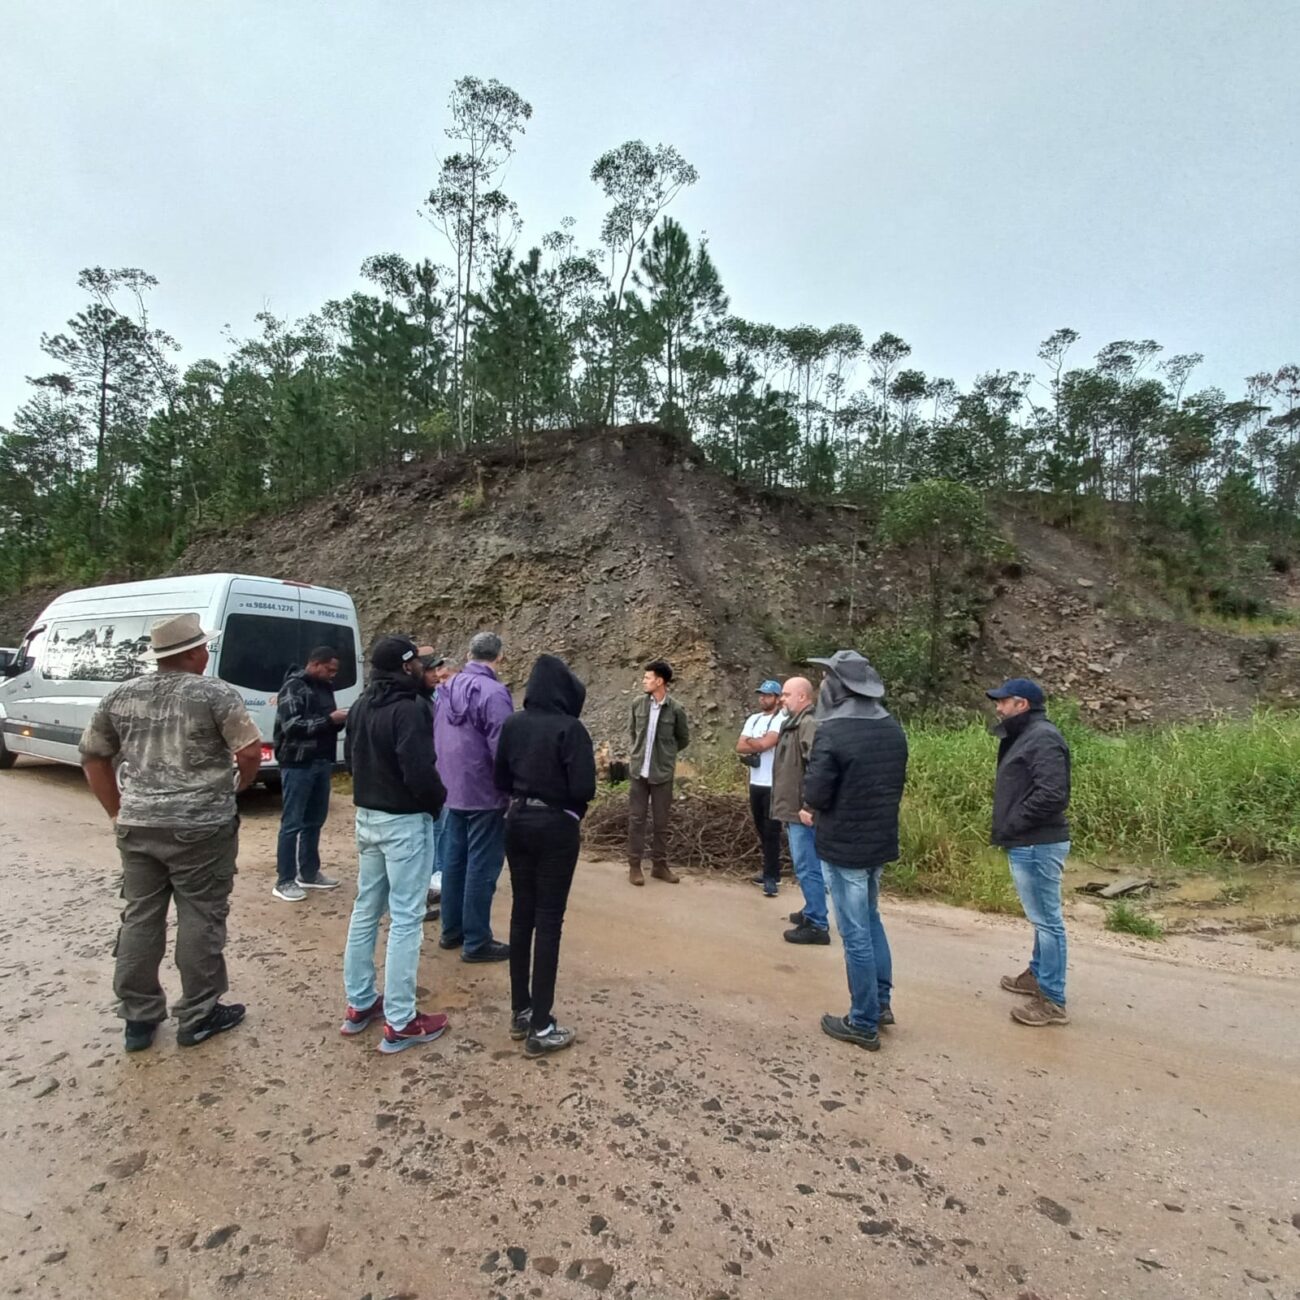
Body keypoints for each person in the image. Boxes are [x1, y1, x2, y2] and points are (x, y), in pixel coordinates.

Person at [79, 612, 261, 1053]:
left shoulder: (121, 696)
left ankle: (138, 1019)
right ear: (195, 652)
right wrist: (236, 786)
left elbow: (92, 757)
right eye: (204, 649)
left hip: (139, 825)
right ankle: (198, 1015)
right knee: (200, 914)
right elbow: (251, 750)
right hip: (201, 826)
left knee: (141, 915)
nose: (206, 655)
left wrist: (118, 812)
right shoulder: (214, 693)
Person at [341, 635, 450, 1053]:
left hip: (367, 818)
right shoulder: (409, 709)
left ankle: (360, 1002)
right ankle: (401, 1020)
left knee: (366, 908)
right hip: (404, 821)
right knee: (406, 917)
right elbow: (419, 769)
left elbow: (351, 760)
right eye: (420, 663)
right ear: (407, 667)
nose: (427, 670)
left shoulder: (363, 705)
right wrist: (436, 804)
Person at [802, 651, 908, 1052]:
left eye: (828, 676)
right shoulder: (892, 729)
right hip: (878, 842)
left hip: (844, 846)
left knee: (854, 933)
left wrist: (813, 803)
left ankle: (862, 1021)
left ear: (841, 687)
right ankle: (881, 1004)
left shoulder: (835, 732)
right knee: (872, 921)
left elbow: (815, 793)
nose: (823, 683)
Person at [493, 654, 597, 1058]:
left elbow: (499, 777)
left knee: (522, 916)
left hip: (516, 820)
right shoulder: (570, 729)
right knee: (549, 922)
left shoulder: (513, 724)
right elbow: (585, 787)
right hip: (555, 826)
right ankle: (543, 1024)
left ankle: (521, 1011)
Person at [987, 677, 1073, 1027]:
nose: (998, 707)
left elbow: (1053, 794)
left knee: (1047, 921)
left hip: (1037, 842)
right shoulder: (1026, 735)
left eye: (1003, 702)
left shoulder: (1043, 738)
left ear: (1022, 705)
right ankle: (1038, 974)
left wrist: (1014, 823)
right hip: (1029, 840)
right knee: (1041, 918)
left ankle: (1052, 999)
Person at [435, 632, 515, 961]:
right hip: (484, 792)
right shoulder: (495, 693)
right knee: (482, 867)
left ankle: (451, 931)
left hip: (450, 789)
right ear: (499, 658)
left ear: (468, 654)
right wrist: (511, 789)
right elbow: (503, 747)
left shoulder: (442, 690)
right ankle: (477, 941)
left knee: (454, 863)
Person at [271, 646, 348, 901]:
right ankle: (284, 880)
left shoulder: (325, 687)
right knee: (292, 823)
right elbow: (292, 726)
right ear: (315, 664)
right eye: (329, 669)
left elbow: (326, 722)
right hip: (297, 763)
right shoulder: (293, 687)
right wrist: (330, 720)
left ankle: (309, 872)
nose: (332, 675)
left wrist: (342, 719)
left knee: (314, 821)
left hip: (322, 761)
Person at [768, 676, 830, 945]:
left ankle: (817, 923)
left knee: (808, 866)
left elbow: (818, 768)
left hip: (802, 812)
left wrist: (809, 805)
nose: (782, 698)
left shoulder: (808, 724)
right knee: (804, 865)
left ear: (802, 697)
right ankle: (812, 909)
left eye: (786, 694)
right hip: (792, 809)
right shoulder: (794, 723)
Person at [626, 659, 690, 886]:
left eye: (648, 677)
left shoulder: (676, 709)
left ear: (659, 681)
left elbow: (683, 739)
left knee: (661, 822)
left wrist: (666, 757)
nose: (644, 681)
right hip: (638, 773)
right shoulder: (637, 704)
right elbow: (633, 733)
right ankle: (634, 866)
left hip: (662, 774)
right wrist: (637, 755)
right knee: (636, 820)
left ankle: (659, 866)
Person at [735, 679, 786, 896]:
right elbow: (740, 746)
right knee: (761, 828)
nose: (762, 698)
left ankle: (771, 877)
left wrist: (753, 742)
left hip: (773, 783)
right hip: (755, 782)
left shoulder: (781, 718)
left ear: (776, 698)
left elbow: (767, 743)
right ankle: (771, 870)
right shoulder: (754, 719)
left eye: (767, 695)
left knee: (772, 830)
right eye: (761, 694)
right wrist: (758, 742)